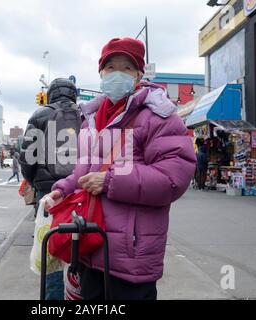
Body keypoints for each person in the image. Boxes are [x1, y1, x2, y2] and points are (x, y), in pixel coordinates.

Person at [45, 37, 196, 300]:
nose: (117, 74)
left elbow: (173, 178)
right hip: (90, 245)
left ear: (139, 74)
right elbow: (84, 169)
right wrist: (63, 189)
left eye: (126, 68)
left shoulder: (159, 116)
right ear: (101, 72)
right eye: (110, 67)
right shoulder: (92, 117)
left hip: (131, 257)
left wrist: (111, 181)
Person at [20, 77, 80, 300]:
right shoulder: (84, 115)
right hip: (80, 192)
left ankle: (53, 302)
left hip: (49, 195)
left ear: (51, 94)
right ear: (73, 94)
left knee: (50, 252)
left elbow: (27, 156)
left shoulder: (39, 115)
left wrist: (34, 181)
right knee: (80, 246)